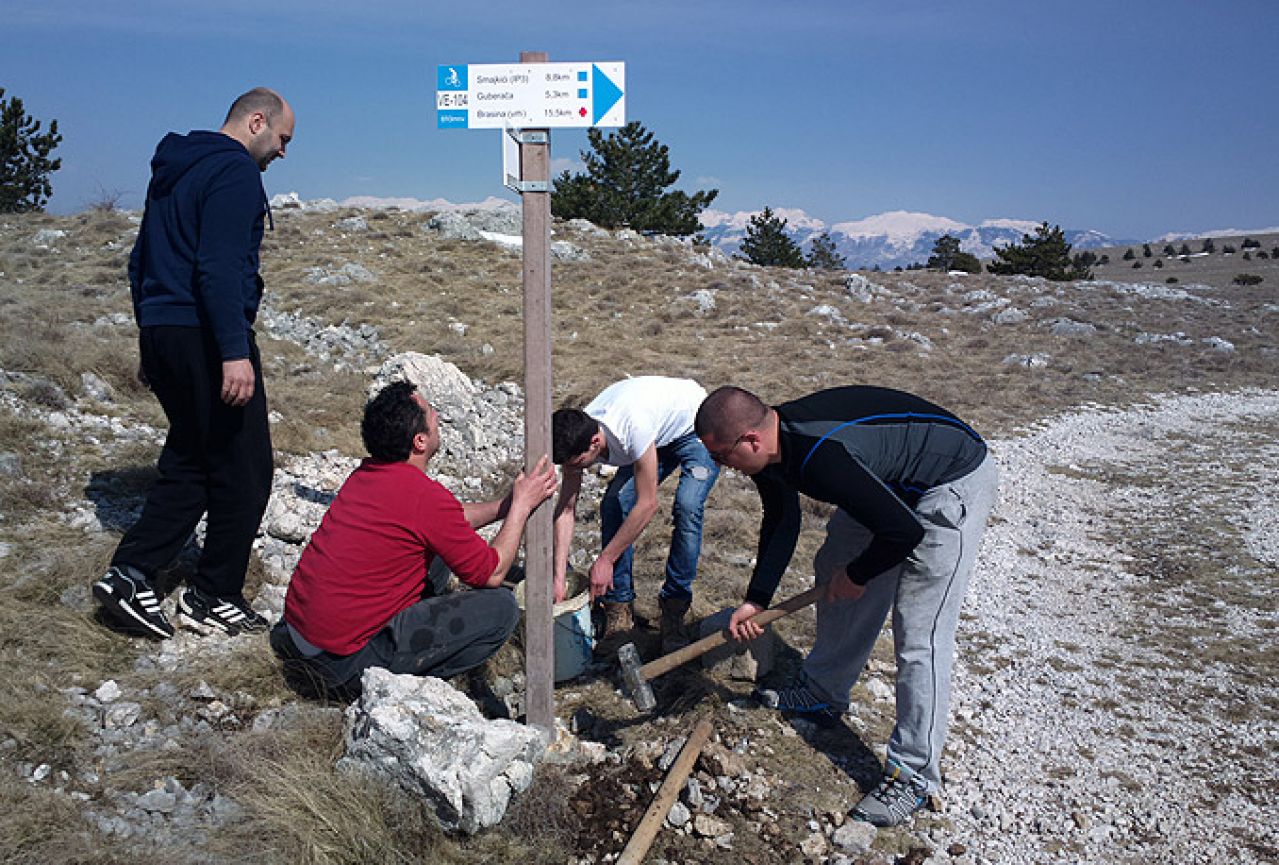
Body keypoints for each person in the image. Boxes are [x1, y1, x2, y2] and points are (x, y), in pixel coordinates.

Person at [695, 385, 997, 827]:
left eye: (722, 457)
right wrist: (756, 599)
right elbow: (782, 518)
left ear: (751, 439)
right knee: (835, 558)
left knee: (920, 633)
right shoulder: (774, 448)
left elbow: (903, 534)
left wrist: (859, 576)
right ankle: (822, 691)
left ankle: (914, 775)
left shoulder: (822, 458)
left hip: (950, 481)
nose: (724, 469)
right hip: (885, 479)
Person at [93, 87, 295, 638]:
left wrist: (147, 341)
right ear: (257, 121)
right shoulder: (233, 172)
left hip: (164, 328)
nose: (283, 153)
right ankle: (214, 594)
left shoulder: (175, 170)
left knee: (190, 455)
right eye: (282, 139)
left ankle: (130, 574)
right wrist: (234, 351)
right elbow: (219, 268)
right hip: (206, 334)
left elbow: (142, 262)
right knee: (245, 469)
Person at [270, 381, 557, 699]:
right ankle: (406, 679)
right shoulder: (423, 497)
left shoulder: (368, 475)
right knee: (501, 608)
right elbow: (490, 574)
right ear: (420, 441)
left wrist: (505, 506)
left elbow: (449, 521)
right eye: (431, 413)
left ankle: (402, 631)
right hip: (341, 665)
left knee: (437, 557)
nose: (437, 417)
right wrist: (520, 508)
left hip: (299, 638)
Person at [551, 377, 719, 652]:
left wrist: (605, 560)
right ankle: (620, 609)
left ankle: (674, 610)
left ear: (595, 442)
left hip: (695, 426)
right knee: (614, 503)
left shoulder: (631, 429)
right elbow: (566, 509)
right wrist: (559, 577)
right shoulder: (577, 438)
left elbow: (648, 504)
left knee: (687, 506)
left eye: (578, 464)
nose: (574, 469)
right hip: (656, 434)